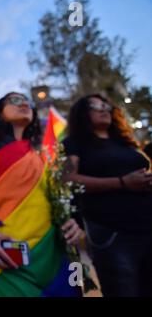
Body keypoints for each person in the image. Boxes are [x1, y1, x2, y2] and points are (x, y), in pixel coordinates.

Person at [0, 92, 83, 297]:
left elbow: (56, 196)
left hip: (54, 254)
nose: (23, 103)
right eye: (13, 100)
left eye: (26, 101)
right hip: (5, 255)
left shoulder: (41, 150)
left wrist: (73, 222)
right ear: (0, 113)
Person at [62, 94, 152, 297]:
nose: (103, 109)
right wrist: (122, 183)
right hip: (114, 235)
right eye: (94, 106)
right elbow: (68, 180)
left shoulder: (126, 144)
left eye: (106, 105)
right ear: (82, 114)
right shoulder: (75, 144)